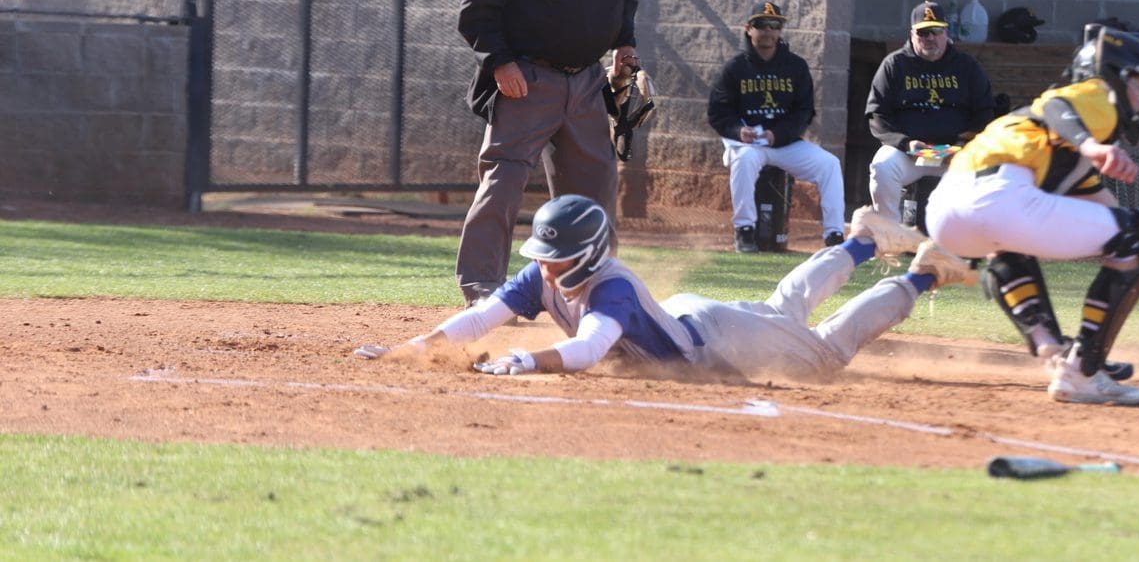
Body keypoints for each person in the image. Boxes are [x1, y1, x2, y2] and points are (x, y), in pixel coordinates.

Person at [354, 195, 976, 381]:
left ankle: (923, 271)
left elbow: (588, 350)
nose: (545, 268)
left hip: (716, 342)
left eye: (556, 257)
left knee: (824, 356)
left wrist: (528, 360)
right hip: (694, 320)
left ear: (588, 254)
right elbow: (479, 317)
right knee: (784, 307)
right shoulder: (540, 276)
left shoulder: (611, 291)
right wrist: (412, 348)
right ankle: (863, 242)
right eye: (543, 256)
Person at [925, 24, 1139, 405]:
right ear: (1115, 78)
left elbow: (1114, 220)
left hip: (946, 212)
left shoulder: (1055, 151)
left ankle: (1055, 351)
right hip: (998, 195)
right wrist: (1091, 146)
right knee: (1135, 244)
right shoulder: (1097, 98)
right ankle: (1084, 371)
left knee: (1014, 249)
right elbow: (1057, 105)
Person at [454, 0, 639, 307]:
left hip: (588, 79)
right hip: (526, 77)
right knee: (502, 182)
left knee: (595, 189)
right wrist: (499, 61)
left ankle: (594, 291)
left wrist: (625, 42)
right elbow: (476, 7)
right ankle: (483, 291)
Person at [708, 1, 846, 253]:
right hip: (747, 143)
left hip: (783, 143)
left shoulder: (795, 66)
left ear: (781, 30)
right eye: (761, 25)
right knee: (745, 160)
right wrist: (738, 131)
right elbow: (717, 113)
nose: (768, 31)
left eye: (775, 25)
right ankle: (745, 230)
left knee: (829, 164)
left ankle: (834, 235)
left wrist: (777, 134)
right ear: (749, 29)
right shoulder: (735, 68)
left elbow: (804, 112)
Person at [865, 0, 995, 222]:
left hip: (954, 153)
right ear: (912, 34)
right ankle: (890, 232)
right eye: (923, 32)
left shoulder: (966, 66)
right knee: (882, 167)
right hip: (909, 153)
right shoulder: (894, 64)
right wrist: (905, 143)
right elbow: (878, 114)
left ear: (946, 32)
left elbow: (985, 113)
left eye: (936, 31)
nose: (930, 38)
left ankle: (968, 238)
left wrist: (962, 145)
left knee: (991, 172)